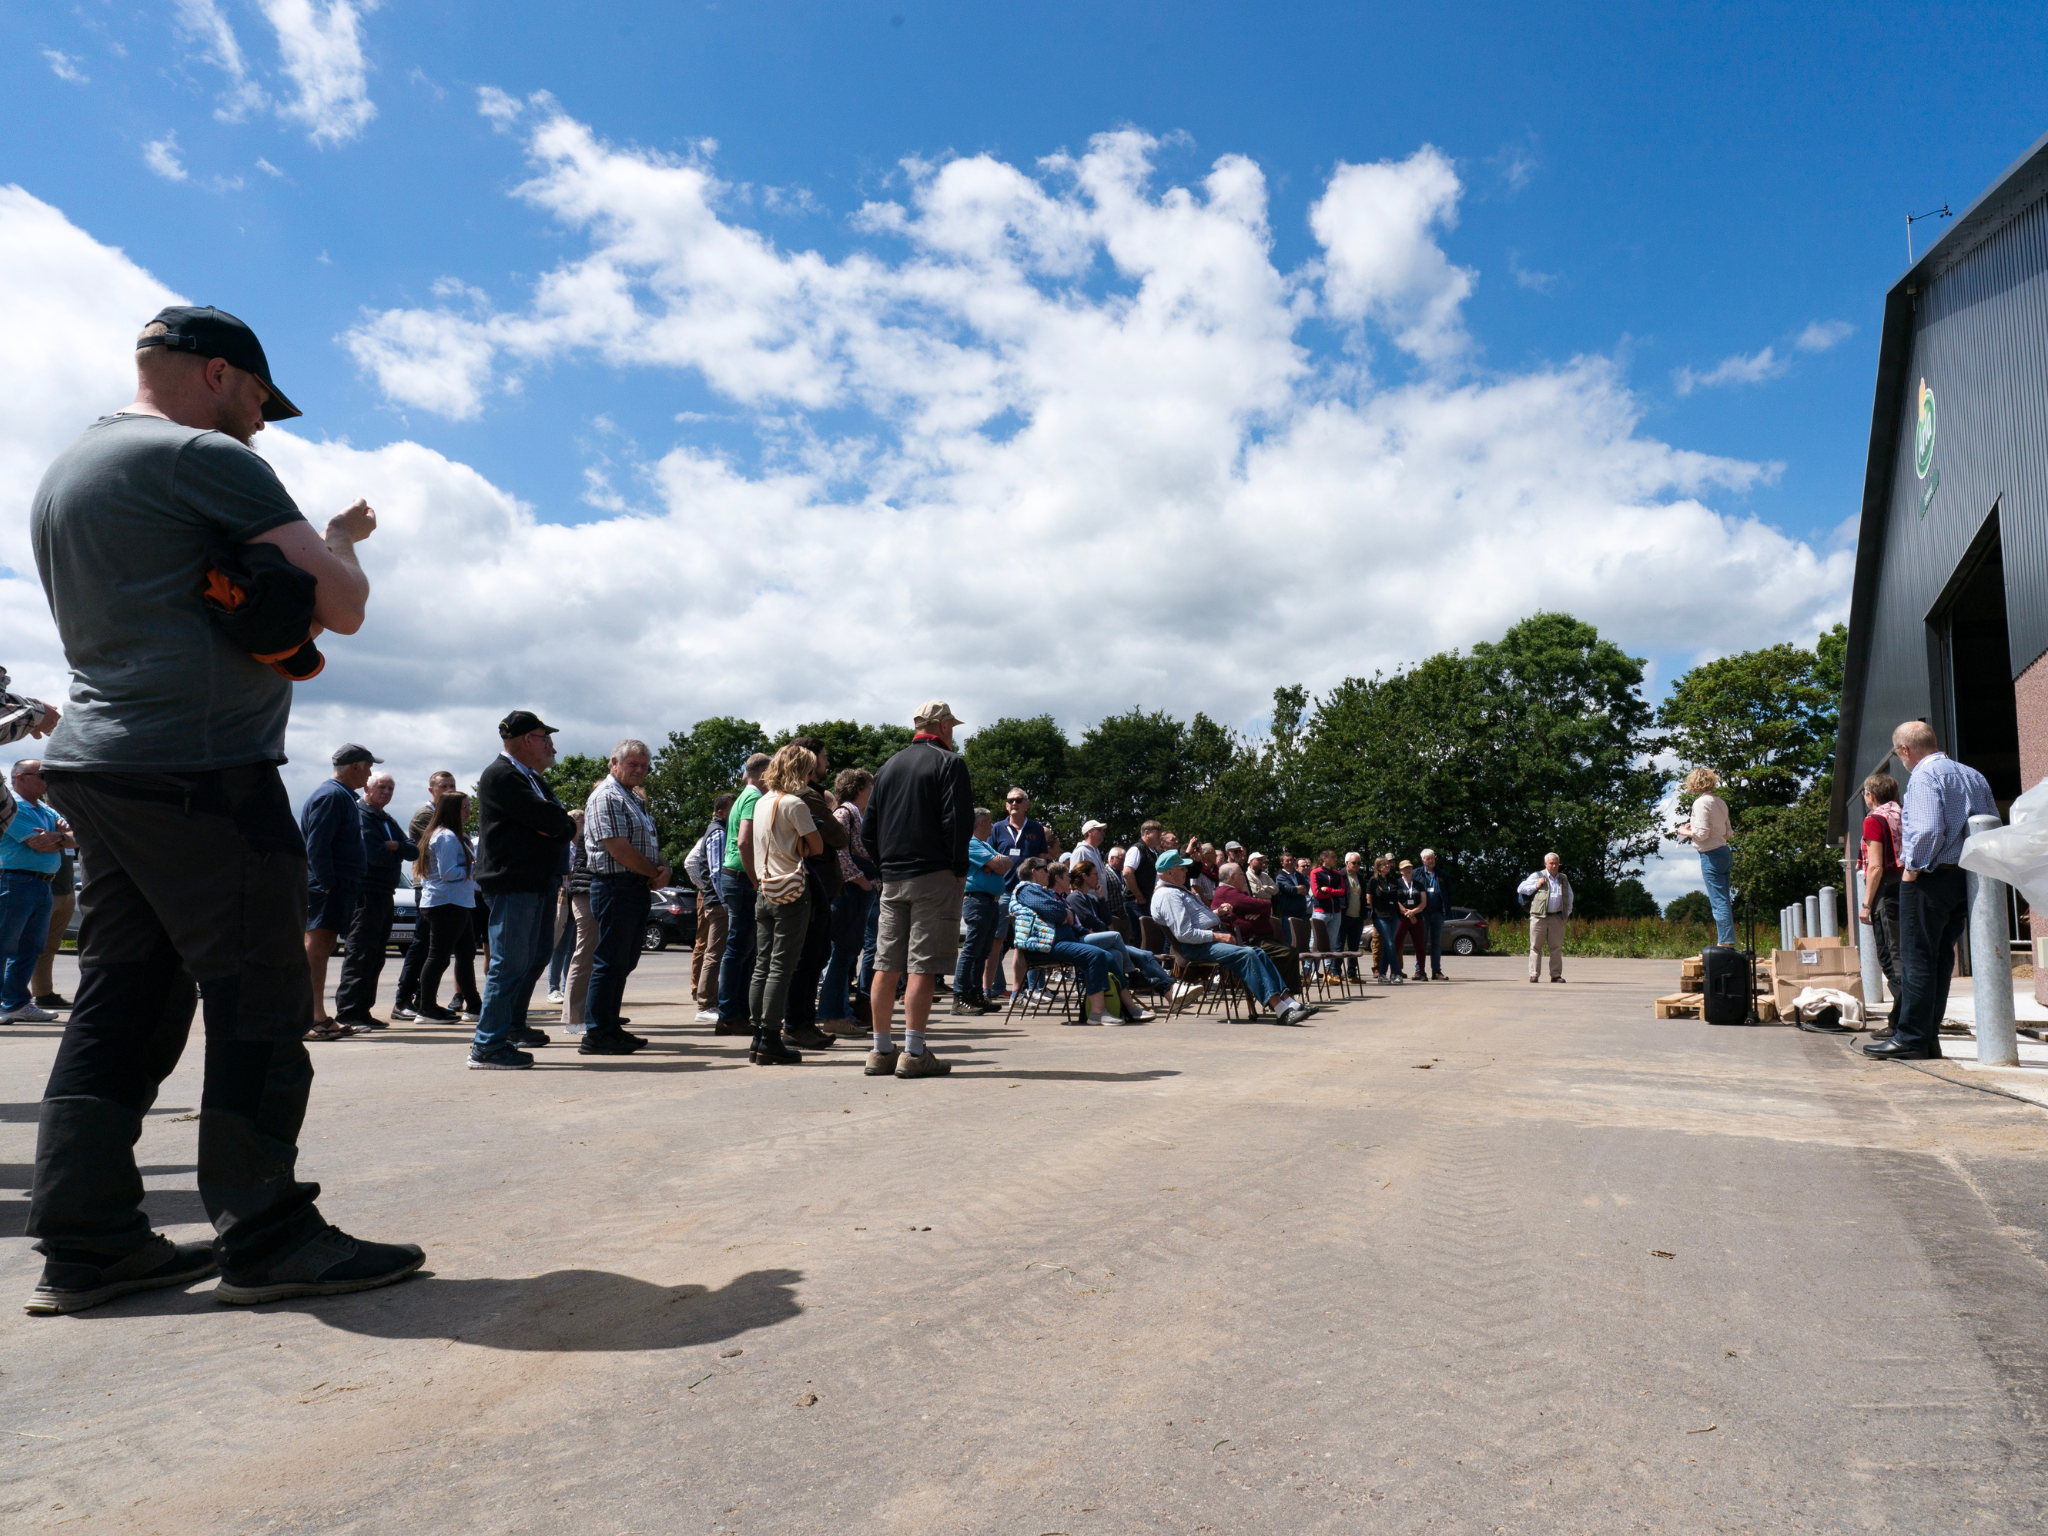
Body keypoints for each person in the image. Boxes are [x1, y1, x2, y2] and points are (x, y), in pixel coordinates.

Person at [23, 304, 419, 1313]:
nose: (260, 419)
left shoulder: (69, 470)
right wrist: (337, 541)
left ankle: (89, 1242)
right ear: (213, 373)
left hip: (98, 765)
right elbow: (342, 608)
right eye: (257, 396)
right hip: (199, 766)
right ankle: (267, 1233)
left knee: (126, 997)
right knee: (257, 995)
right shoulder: (203, 457)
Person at [1868, 721, 1997, 1062]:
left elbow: (1926, 830)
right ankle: (1926, 1039)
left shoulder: (1925, 777)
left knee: (1917, 960)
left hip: (1929, 877)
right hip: (1963, 876)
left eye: (1899, 754)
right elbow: (1991, 822)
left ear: (1905, 750)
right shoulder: (1973, 775)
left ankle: (1910, 1036)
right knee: (1941, 959)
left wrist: (1912, 870)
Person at [865, 701, 974, 1079]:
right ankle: (913, 1051)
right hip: (934, 875)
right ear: (943, 726)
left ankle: (880, 1051)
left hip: (893, 877)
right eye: (952, 726)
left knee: (886, 962)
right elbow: (957, 823)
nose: (954, 732)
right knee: (922, 965)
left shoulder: (887, 766)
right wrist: (959, 870)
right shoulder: (949, 763)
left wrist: (886, 865)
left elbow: (867, 831)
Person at [469, 711, 578, 1067]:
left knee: (532, 958)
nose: (551, 746)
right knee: (509, 963)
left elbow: (556, 823)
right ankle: (487, 1045)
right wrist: (556, 825)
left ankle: (510, 1027)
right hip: (513, 882)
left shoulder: (530, 779)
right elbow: (555, 823)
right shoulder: (502, 775)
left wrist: (556, 825)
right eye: (545, 738)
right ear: (527, 740)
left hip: (535, 882)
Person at [1151, 851, 1319, 1025]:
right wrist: (1218, 936)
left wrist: (1218, 913)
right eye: (1181, 868)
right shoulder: (1168, 896)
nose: (1186, 871)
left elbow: (1194, 923)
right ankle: (1282, 1010)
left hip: (1201, 943)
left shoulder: (1175, 890)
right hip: (1193, 948)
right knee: (1247, 954)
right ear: (1169, 873)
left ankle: (1290, 1002)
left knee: (1258, 952)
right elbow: (1184, 934)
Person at [581, 739, 667, 1059]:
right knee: (610, 961)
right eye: (633, 764)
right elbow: (617, 847)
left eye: (644, 766)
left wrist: (661, 869)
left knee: (624, 961)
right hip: (615, 886)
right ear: (613, 762)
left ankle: (609, 1026)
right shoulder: (606, 796)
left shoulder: (631, 798)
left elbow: (643, 843)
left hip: (633, 887)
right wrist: (652, 873)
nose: (640, 770)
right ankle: (597, 1033)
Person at [743, 743, 823, 1063]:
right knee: (781, 967)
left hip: (764, 889)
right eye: (808, 769)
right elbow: (816, 846)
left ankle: (758, 1037)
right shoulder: (794, 804)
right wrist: (800, 845)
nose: (810, 775)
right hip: (791, 890)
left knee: (761, 965)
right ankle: (772, 1039)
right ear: (800, 771)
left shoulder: (761, 801)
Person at [300, 745, 376, 1040]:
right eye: (368, 767)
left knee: (323, 949)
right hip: (326, 888)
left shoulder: (342, 796)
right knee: (317, 949)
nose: (370, 773)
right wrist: (328, 883)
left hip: (336, 886)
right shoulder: (331, 796)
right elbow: (317, 846)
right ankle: (308, 1017)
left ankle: (318, 1015)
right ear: (355, 766)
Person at [779, 736, 849, 1051]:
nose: (827, 763)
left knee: (811, 956)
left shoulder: (783, 795)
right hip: (810, 882)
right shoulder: (806, 795)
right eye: (823, 757)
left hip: (805, 881)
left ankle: (801, 1022)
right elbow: (838, 836)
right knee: (808, 956)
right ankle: (797, 1024)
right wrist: (831, 807)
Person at [1, 759, 74, 1024]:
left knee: (30, 948)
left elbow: (76, 836)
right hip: (14, 881)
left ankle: (16, 1004)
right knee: (3, 944)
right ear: (19, 777)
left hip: (43, 883)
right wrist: (61, 838)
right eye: (42, 775)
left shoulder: (44, 808)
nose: (47, 780)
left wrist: (58, 837)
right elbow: (36, 844)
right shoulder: (14, 807)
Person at [333, 771, 407, 1030]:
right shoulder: (362, 814)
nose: (386, 792)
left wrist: (394, 846)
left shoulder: (386, 819)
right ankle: (348, 1013)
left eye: (390, 788)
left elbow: (413, 849)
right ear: (368, 788)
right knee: (360, 953)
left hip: (385, 894)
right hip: (366, 893)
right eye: (382, 787)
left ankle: (363, 1011)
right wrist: (394, 850)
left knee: (376, 956)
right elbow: (374, 856)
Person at [1011, 859, 1124, 1024]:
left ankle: (1126, 1005)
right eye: (1044, 869)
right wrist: (1064, 914)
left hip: (1056, 942)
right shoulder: (1026, 889)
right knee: (1096, 955)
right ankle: (1097, 1012)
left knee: (1110, 955)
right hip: (1043, 947)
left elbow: (1059, 911)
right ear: (1034, 871)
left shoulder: (1039, 891)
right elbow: (1055, 912)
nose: (1048, 873)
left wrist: (1063, 913)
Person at [390, 769, 456, 1021]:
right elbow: (439, 841)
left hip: (445, 889)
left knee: (436, 947)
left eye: (452, 786)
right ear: (432, 790)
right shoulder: (426, 816)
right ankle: (403, 999)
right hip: (426, 887)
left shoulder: (446, 817)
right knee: (421, 944)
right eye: (444, 787)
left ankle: (424, 999)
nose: (449, 790)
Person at [1065, 858, 1169, 1008]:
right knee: (1120, 940)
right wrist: (1101, 926)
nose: (1098, 877)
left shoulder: (1091, 898)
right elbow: (1093, 922)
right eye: (1094, 874)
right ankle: (1133, 975)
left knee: (1139, 954)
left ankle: (1163, 990)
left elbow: (1106, 919)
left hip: (1099, 938)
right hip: (1086, 940)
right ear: (1084, 876)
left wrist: (1100, 898)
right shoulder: (1074, 898)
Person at [716, 753, 772, 1034]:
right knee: (739, 949)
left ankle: (736, 1011)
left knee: (744, 949)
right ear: (762, 774)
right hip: (741, 878)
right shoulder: (753, 798)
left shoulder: (743, 796)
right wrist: (755, 879)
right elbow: (744, 840)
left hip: (736, 878)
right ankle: (728, 1013)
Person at [415, 792, 481, 1023]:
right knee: (439, 957)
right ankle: (426, 1008)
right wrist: (473, 868)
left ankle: (474, 1005)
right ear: (451, 810)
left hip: (455, 902)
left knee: (466, 954)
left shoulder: (452, 835)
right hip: (446, 903)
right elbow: (449, 873)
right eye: (464, 807)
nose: (468, 811)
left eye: (469, 806)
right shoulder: (446, 837)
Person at [822, 769, 877, 1030]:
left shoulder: (856, 814)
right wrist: (863, 881)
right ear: (858, 788)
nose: (872, 791)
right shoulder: (844, 814)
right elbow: (840, 854)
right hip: (850, 892)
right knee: (842, 955)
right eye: (870, 786)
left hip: (858, 892)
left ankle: (841, 1012)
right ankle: (834, 1014)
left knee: (847, 954)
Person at [990, 787, 1056, 997]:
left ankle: (1035, 988)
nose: (1014, 803)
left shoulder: (1036, 828)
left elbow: (1044, 858)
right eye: (1010, 800)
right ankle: (999, 988)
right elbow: (989, 857)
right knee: (997, 941)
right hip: (1004, 891)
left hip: (1030, 893)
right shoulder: (997, 828)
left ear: (1027, 803)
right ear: (1006, 804)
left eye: (1018, 800)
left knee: (1033, 939)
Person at [1210, 860, 1303, 998]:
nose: (1244, 877)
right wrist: (1261, 909)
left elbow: (1264, 906)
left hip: (1259, 938)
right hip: (1249, 942)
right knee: (1286, 953)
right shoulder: (1227, 892)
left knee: (1290, 952)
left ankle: (1287, 997)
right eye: (1241, 874)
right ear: (1232, 877)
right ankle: (1284, 997)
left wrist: (1261, 912)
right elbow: (1264, 904)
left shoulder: (1232, 892)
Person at [954, 808, 1012, 1015]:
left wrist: (995, 864)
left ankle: (975, 994)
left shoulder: (984, 845)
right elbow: (998, 863)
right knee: (972, 950)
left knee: (982, 951)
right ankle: (960, 997)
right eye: (989, 821)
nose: (993, 825)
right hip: (977, 901)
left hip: (990, 902)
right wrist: (994, 863)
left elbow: (1006, 864)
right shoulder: (970, 843)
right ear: (980, 823)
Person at [685, 794, 734, 1024]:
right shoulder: (719, 833)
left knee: (717, 952)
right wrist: (724, 901)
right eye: (733, 809)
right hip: (719, 903)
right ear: (721, 812)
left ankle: (711, 1000)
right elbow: (716, 872)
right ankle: (705, 1004)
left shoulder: (719, 831)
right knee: (714, 952)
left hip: (715, 901)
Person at [1858, 772, 1906, 1006]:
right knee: (1905, 953)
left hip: (1887, 891)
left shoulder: (1874, 820)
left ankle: (1902, 1021)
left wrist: (1866, 905)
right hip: (1908, 886)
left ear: (1871, 796)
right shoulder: (1902, 814)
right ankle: (1905, 1019)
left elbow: (1875, 866)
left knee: (1890, 956)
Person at [1674, 767, 1736, 947]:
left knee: (1718, 901)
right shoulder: (1720, 802)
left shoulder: (1700, 804)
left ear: (1694, 783)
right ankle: (1727, 940)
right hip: (1724, 852)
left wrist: (1684, 830)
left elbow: (1701, 834)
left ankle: (1725, 943)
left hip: (1711, 855)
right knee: (1724, 898)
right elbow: (1728, 833)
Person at [1518, 853, 1574, 983]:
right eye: (1551, 863)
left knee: (1556, 947)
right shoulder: (1537, 876)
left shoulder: (1563, 878)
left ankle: (1555, 975)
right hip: (1539, 917)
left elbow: (1570, 897)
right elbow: (1520, 888)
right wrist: (1536, 885)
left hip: (1557, 917)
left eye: (1556, 863)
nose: (1554, 866)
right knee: (1535, 947)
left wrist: (1566, 914)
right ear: (1545, 864)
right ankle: (1534, 974)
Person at [1122, 821, 1167, 955]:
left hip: (1147, 901)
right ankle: (1138, 971)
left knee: (1151, 937)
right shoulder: (1137, 849)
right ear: (1147, 834)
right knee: (1142, 937)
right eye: (1157, 834)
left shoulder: (1154, 852)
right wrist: (1139, 896)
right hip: (1135, 901)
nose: (1160, 837)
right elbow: (1127, 873)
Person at [1416, 849, 1450, 980]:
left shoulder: (1442, 874)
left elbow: (1449, 892)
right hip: (1422, 913)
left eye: (1433, 858)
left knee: (1436, 944)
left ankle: (1436, 971)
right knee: (1421, 943)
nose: (1431, 861)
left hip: (1437, 913)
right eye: (1428, 859)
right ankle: (1419, 970)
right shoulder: (1417, 874)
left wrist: (1445, 908)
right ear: (1423, 861)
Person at [1309, 848, 1348, 962]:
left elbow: (1342, 892)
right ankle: (1309, 971)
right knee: (1315, 943)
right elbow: (1317, 893)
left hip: (1336, 913)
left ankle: (1328, 972)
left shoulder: (1337, 874)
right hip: (1320, 912)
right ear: (1324, 858)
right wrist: (1333, 893)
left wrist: (1328, 890)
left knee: (1332, 944)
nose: (1336, 859)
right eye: (1333, 857)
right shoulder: (1315, 872)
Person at [1394, 859, 1430, 980]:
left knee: (1419, 946)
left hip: (1417, 918)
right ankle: (1395, 970)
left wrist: (1413, 913)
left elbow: (1424, 902)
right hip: (1402, 918)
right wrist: (1407, 913)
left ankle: (1422, 971)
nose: (1407, 870)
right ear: (1401, 871)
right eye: (1405, 868)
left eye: (1409, 867)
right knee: (1396, 945)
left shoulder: (1419, 884)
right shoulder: (1397, 883)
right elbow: (1395, 901)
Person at [1273, 853, 1312, 952]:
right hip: (1288, 914)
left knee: (1302, 943)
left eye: (1291, 860)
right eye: (1287, 860)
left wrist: (1298, 889)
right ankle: (1292, 966)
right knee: (1291, 943)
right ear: (1282, 863)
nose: (1290, 862)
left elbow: (1306, 887)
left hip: (1301, 913)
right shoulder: (1280, 876)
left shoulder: (1298, 875)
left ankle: (1303, 967)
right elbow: (1289, 890)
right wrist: (1298, 889)